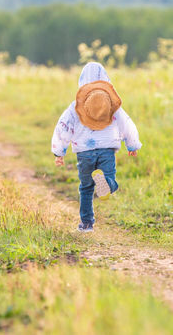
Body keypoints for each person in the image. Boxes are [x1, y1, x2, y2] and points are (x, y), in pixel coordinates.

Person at [51, 62, 141, 232]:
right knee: (111, 179)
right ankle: (106, 184)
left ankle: (86, 224)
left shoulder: (75, 107)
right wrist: (132, 144)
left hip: (84, 152)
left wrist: (59, 152)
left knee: (85, 188)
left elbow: (63, 127)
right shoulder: (112, 105)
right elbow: (127, 124)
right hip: (107, 150)